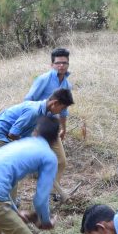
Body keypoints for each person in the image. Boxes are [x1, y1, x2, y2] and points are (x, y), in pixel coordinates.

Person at [23, 49, 72, 195]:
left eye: (64, 63)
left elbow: (64, 110)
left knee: (61, 161)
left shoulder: (67, 84)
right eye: (58, 63)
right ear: (52, 64)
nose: (61, 66)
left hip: (52, 127)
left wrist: (63, 128)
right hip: (37, 125)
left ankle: (51, 191)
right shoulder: (44, 79)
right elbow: (28, 100)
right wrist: (32, 125)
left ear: (68, 64)